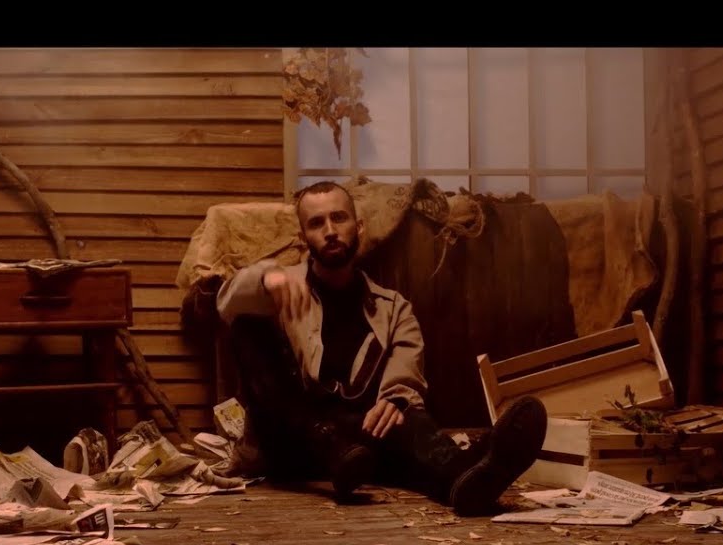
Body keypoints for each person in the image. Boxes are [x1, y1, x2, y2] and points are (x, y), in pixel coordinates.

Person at [215, 180, 548, 516]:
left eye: (339, 218)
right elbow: (227, 305)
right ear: (303, 238)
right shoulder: (280, 288)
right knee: (247, 327)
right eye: (316, 223)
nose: (330, 231)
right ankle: (329, 443)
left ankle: (466, 477)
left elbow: (407, 367)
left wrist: (396, 399)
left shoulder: (393, 308)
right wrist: (265, 276)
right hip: (293, 442)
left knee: (405, 419)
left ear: (359, 227)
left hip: (358, 449)